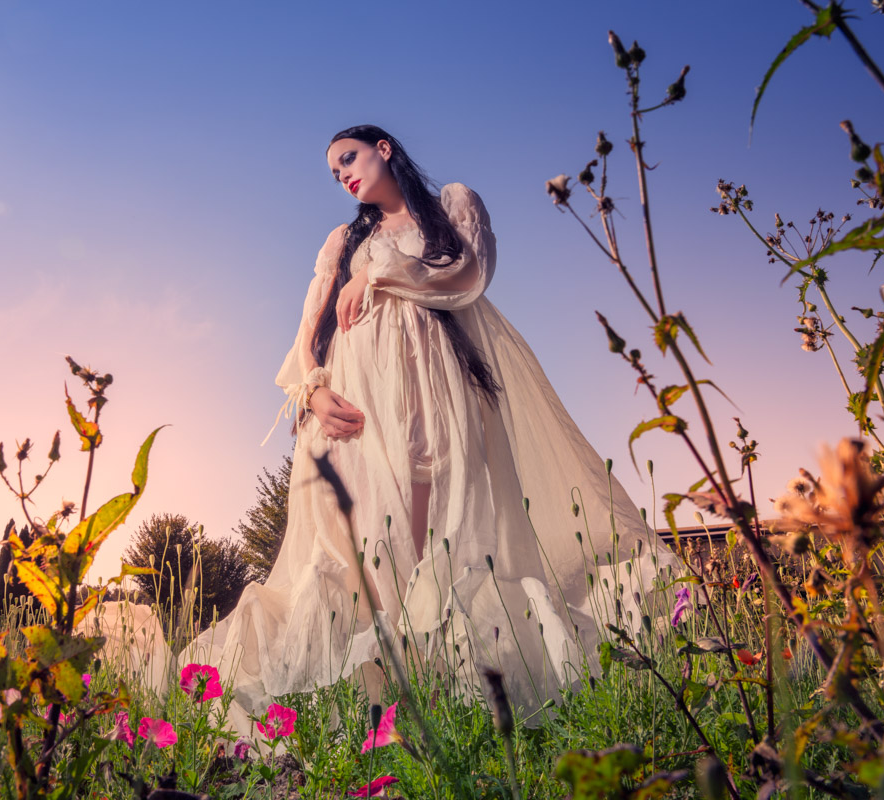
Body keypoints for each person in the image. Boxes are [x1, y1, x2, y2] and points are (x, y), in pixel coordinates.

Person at [183, 124, 677, 734]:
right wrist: (312, 390)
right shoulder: (343, 240)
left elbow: (467, 274)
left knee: (442, 534)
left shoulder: (452, 208)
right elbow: (307, 335)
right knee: (367, 546)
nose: (344, 177)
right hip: (359, 408)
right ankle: (385, 703)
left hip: (437, 398)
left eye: (349, 160)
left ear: (383, 149)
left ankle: (447, 694)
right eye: (336, 174)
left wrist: (378, 275)